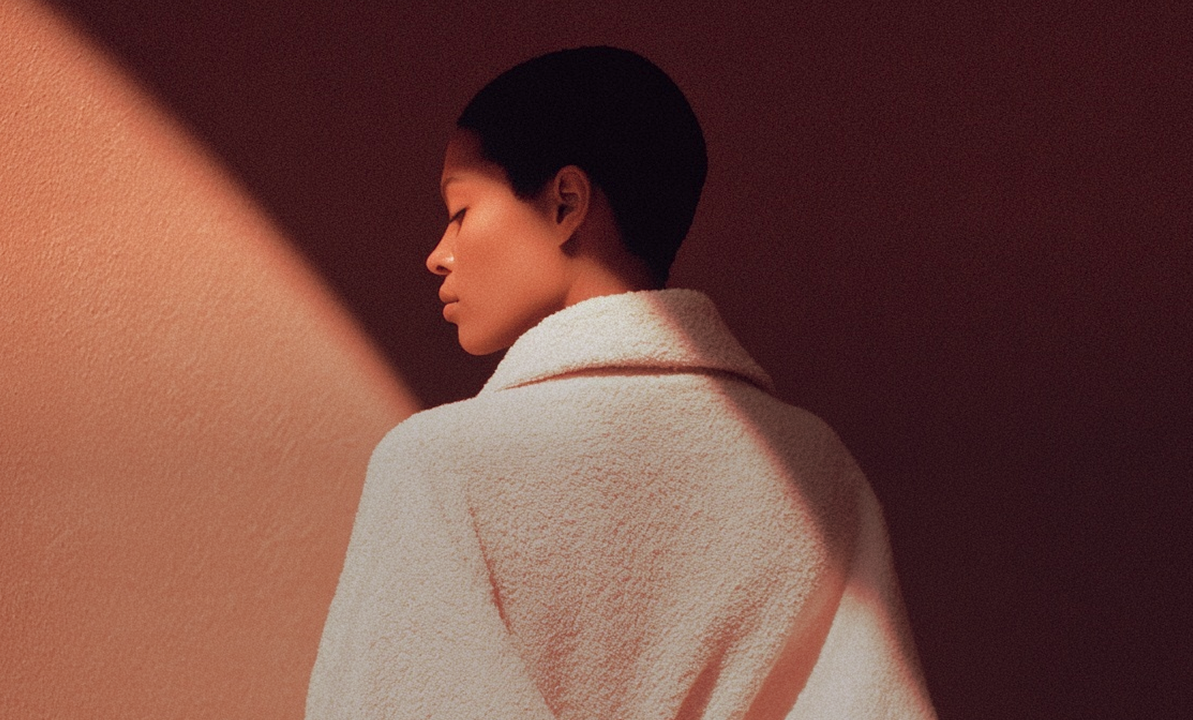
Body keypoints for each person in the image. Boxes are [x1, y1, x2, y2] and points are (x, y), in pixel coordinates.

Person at [306, 46, 937, 719]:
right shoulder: (815, 467)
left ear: (565, 203)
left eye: (460, 211)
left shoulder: (435, 467)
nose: (439, 254)